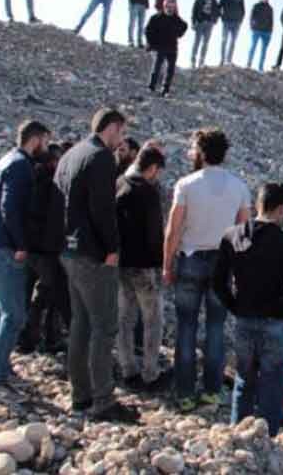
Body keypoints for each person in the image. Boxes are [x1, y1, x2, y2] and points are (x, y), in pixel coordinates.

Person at [53, 108, 140, 422]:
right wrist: (112, 248)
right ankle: (102, 400)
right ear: (113, 127)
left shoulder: (71, 155)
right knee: (104, 326)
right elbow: (103, 209)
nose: (121, 140)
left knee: (80, 323)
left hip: (67, 250)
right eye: (121, 132)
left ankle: (80, 397)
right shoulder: (101, 157)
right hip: (93, 254)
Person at [163, 128, 251, 412]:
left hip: (190, 258)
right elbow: (244, 234)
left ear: (200, 151)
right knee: (215, 328)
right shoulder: (238, 186)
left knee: (186, 328)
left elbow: (173, 230)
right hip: (222, 263)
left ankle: (186, 393)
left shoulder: (186, 184)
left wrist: (167, 265)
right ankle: (212, 392)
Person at [214, 182, 283, 436]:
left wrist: (234, 306)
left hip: (244, 319)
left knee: (244, 381)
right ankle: (268, 440)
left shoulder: (230, 235)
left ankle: (237, 436)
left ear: (258, 204)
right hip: (277, 322)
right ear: (281, 209)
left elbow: (218, 281)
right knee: (273, 385)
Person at [0, 120, 51, 400]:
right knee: (14, 315)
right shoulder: (20, 165)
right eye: (44, 141)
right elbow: (9, 208)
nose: (46, 147)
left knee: (1, 313)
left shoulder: (5, 161)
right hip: (5, 249)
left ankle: (0, 370)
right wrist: (21, 244)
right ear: (34, 140)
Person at [116, 147, 167, 392]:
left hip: (120, 263)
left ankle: (127, 368)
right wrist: (162, 262)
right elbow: (155, 232)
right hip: (144, 266)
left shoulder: (118, 184)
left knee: (124, 318)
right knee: (152, 320)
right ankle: (150, 372)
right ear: (153, 168)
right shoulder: (148, 192)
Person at [18, 142, 69, 355]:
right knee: (50, 296)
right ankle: (45, 339)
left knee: (32, 294)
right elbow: (55, 222)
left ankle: (28, 339)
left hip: (30, 248)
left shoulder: (30, 181)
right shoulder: (52, 187)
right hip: (47, 251)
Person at [145, 0, 188, 96]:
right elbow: (148, 30)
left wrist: (179, 34)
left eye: (172, 6)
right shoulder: (156, 17)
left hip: (172, 47)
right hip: (159, 47)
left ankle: (166, 89)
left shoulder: (176, 19)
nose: (169, 8)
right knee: (157, 67)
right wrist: (150, 43)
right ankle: (151, 87)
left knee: (170, 69)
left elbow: (184, 26)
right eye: (168, 6)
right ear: (164, 6)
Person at [191, 0, 220, 69]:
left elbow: (217, 11)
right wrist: (193, 22)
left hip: (209, 23)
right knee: (197, 42)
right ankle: (193, 61)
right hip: (200, 22)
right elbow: (194, 9)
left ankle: (201, 61)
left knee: (205, 43)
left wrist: (214, 21)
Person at [218, 0, 245, 66]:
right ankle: (222, 59)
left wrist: (240, 20)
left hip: (236, 23)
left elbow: (243, 10)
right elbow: (219, 7)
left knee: (233, 41)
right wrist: (222, 17)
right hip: (226, 22)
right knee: (224, 40)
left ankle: (228, 60)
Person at [247, 0, 273, 71]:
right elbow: (251, 16)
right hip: (257, 30)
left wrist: (270, 30)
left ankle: (260, 67)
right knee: (253, 47)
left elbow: (271, 20)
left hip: (266, 32)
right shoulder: (256, 6)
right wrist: (252, 26)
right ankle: (249, 64)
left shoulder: (270, 8)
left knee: (264, 50)